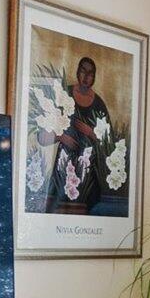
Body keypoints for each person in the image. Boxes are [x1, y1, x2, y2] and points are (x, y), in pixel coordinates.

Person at [41, 56, 115, 214]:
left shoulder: (99, 105)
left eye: (91, 73)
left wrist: (90, 132)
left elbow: (110, 144)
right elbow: (42, 136)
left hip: (89, 171)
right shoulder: (64, 95)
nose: (86, 76)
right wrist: (61, 137)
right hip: (63, 168)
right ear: (77, 72)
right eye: (83, 71)